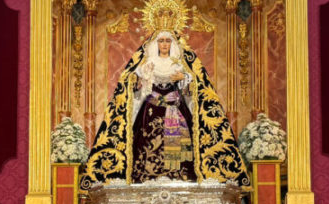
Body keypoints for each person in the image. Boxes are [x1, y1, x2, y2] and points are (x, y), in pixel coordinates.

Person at [82, 29, 248, 188]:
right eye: (161, 41)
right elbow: (133, 84)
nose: (164, 44)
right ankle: (146, 180)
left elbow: (195, 87)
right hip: (151, 109)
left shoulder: (179, 64)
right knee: (146, 141)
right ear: (156, 44)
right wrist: (140, 79)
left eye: (168, 41)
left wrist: (185, 78)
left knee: (178, 146)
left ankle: (179, 179)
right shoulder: (147, 63)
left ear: (173, 44)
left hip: (175, 107)